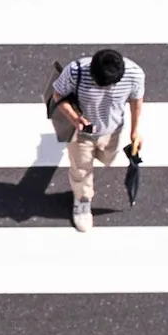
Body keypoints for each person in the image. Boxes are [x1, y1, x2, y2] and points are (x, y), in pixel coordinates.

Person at [50, 47, 145, 233]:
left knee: (108, 158)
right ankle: (82, 200)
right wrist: (74, 118)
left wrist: (135, 131)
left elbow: (136, 101)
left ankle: (87, 178)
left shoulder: (135, 74)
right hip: (81, 134)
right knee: (82, 169)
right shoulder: (75, 71)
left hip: (113, 129)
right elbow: (57, 94)